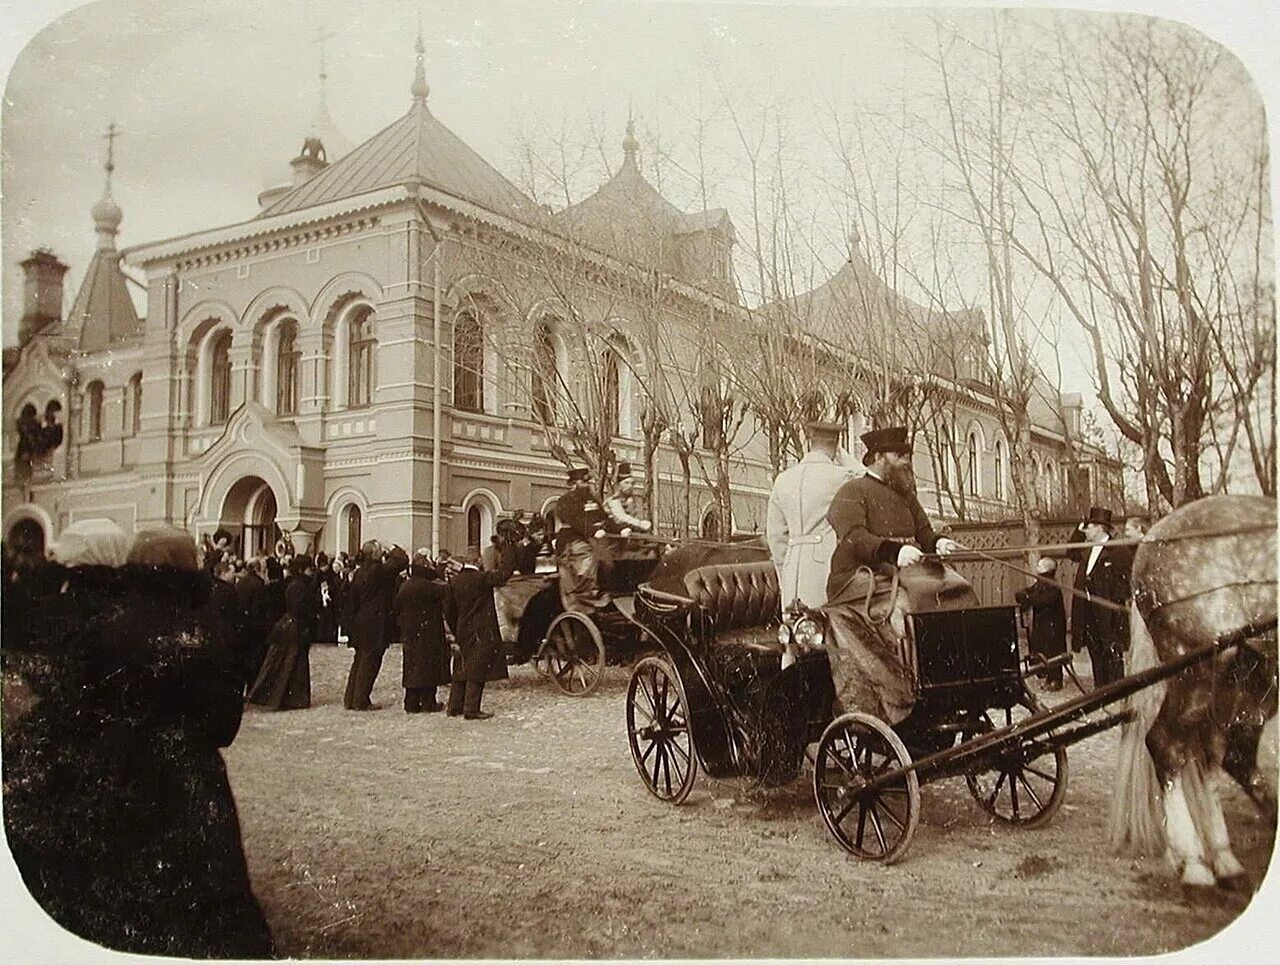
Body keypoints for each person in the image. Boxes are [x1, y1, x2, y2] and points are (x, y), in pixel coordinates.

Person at [2, 524, 274, 958]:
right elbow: (223, 724)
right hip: (190, 782)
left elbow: (69, 703)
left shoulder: (105, 623)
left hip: (113, 773)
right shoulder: (207, 629)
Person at [823, 426, 963, 723]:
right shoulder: (852, 491)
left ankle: (943, 685)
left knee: (955, 594)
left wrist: (938, 542)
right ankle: (901, 696)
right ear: (877, 457)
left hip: (904, 577)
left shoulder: (905, 495)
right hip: (854, 581)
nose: (906, 461)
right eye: (899, 455)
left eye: (907, 455)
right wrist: (892, 552)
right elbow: (854, 538)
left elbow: (924, 532)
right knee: (902, 608)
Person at [765, 420, 859, 667]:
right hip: (824, 565)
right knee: (826, 637)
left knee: (794, 640)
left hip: (793, 567)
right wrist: (845, 458)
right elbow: (868, 478)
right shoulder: (842, 476)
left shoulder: (783, 479)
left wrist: (785, 568)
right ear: (836, 445)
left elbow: (775, 536)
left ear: (809, 441)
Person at [444, 544, 515, 719]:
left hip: (462, 627)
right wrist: (509, 550)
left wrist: (455, 628)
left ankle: (454, 706)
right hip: (481, 630)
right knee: (477, 668)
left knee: (461, 666)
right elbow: (504, 574)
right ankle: (471, 709)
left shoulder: (454, 581)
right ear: (477, 560)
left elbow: (449, 610)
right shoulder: (481, 578)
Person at [1067, 506, 1131, 688]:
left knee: (1111, 655)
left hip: (1108, 614)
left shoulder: (1118, 551)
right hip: (1088, 612)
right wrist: (1079, 530)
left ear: (1100, 528)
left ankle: (1116, 693)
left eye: (1089, 527)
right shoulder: (1087, 551)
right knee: (1096, 654)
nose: (1086, 530)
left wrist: (1115, 605)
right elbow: (1070, 552)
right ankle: (1100, 691)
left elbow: (1125, 581)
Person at [247, 553, 315, 710]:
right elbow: (300, 608)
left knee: (286, 662)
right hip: (296, 627)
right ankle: (291, 698)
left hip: (290, 625)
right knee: (291, 663)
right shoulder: (300, 585)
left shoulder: (293, 583)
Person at [342, 540, 400, 710]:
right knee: (370, 663)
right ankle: (361, 700)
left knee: (359, 661)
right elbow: (401, 560)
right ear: (375, 553)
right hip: (374, 624)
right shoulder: (378, 570)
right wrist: (392, 548)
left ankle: (351, 698)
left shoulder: (360, 572)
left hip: (360, 622)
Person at [395, 551, 451, 713]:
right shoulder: (428, 586)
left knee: (412, 665)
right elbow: (446, 592)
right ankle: (428, 702)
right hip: (428, 631)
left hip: (410, 631)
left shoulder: (406, 585)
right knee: (428, 666)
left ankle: (411, 702)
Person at [554, 465, 612, 613]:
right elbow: (575, 520)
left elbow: (604, 518)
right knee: (589, 557)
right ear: (574, 484)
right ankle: (586, 595)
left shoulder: (592, 500)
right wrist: (594, 530)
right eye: (584, 482)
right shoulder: (565, 500)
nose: (588, 485)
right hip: (571, 542)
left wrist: (621, 528)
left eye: (588, 482)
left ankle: (602, 592)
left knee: (609, 557)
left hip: (588, 540)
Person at [1015, 557, 1068, 691]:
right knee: (1044, 651)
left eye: (1039, 565)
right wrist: (1026, 596)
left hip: (1053, 626)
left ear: (1047, 569)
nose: (1037, 567)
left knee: (1053, 652)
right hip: (1043, 625)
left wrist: (1028, 598)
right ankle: (1048, 678)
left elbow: (1041, 601)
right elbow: (1024, 593)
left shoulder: (1052, 585)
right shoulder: (1040, 583)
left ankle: (1056, 680)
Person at [604, 462, 652, 534]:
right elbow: (621, 518)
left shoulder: (631, 501)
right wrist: (641, 524)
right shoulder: (612, 501)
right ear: (619, 485)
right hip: (614, 536)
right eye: (626, 483)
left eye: (632, 483)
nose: (630, 486)